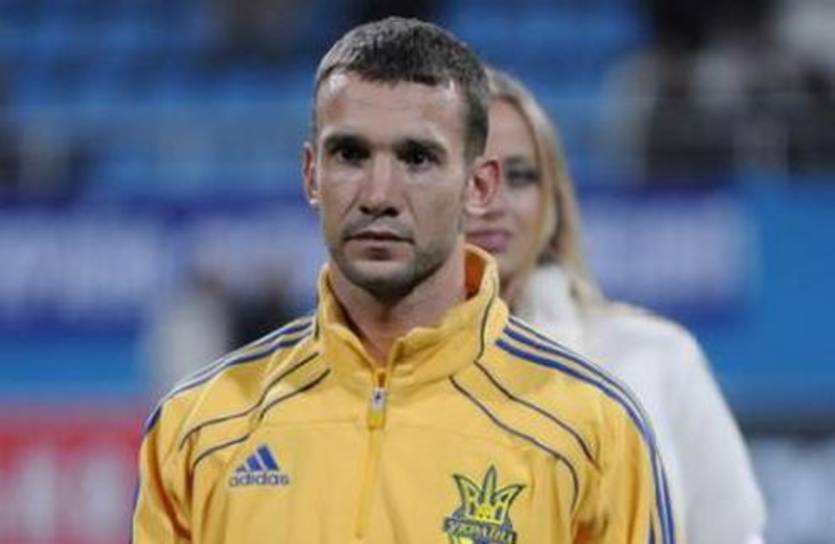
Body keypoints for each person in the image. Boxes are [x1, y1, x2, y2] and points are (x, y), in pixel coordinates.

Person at [132, 18, 676, 542]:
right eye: (350, 154)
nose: (379, 194)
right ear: (312, 175)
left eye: (417, 158)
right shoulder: (199, 426)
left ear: (479, 187)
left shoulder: (593, 428)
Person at [466, 67, 766, 544]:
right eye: (472, 177)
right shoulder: (380, 376)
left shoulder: (656, 356)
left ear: (553, 200)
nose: (495, 202)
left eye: (520, 176)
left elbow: (732, 534)